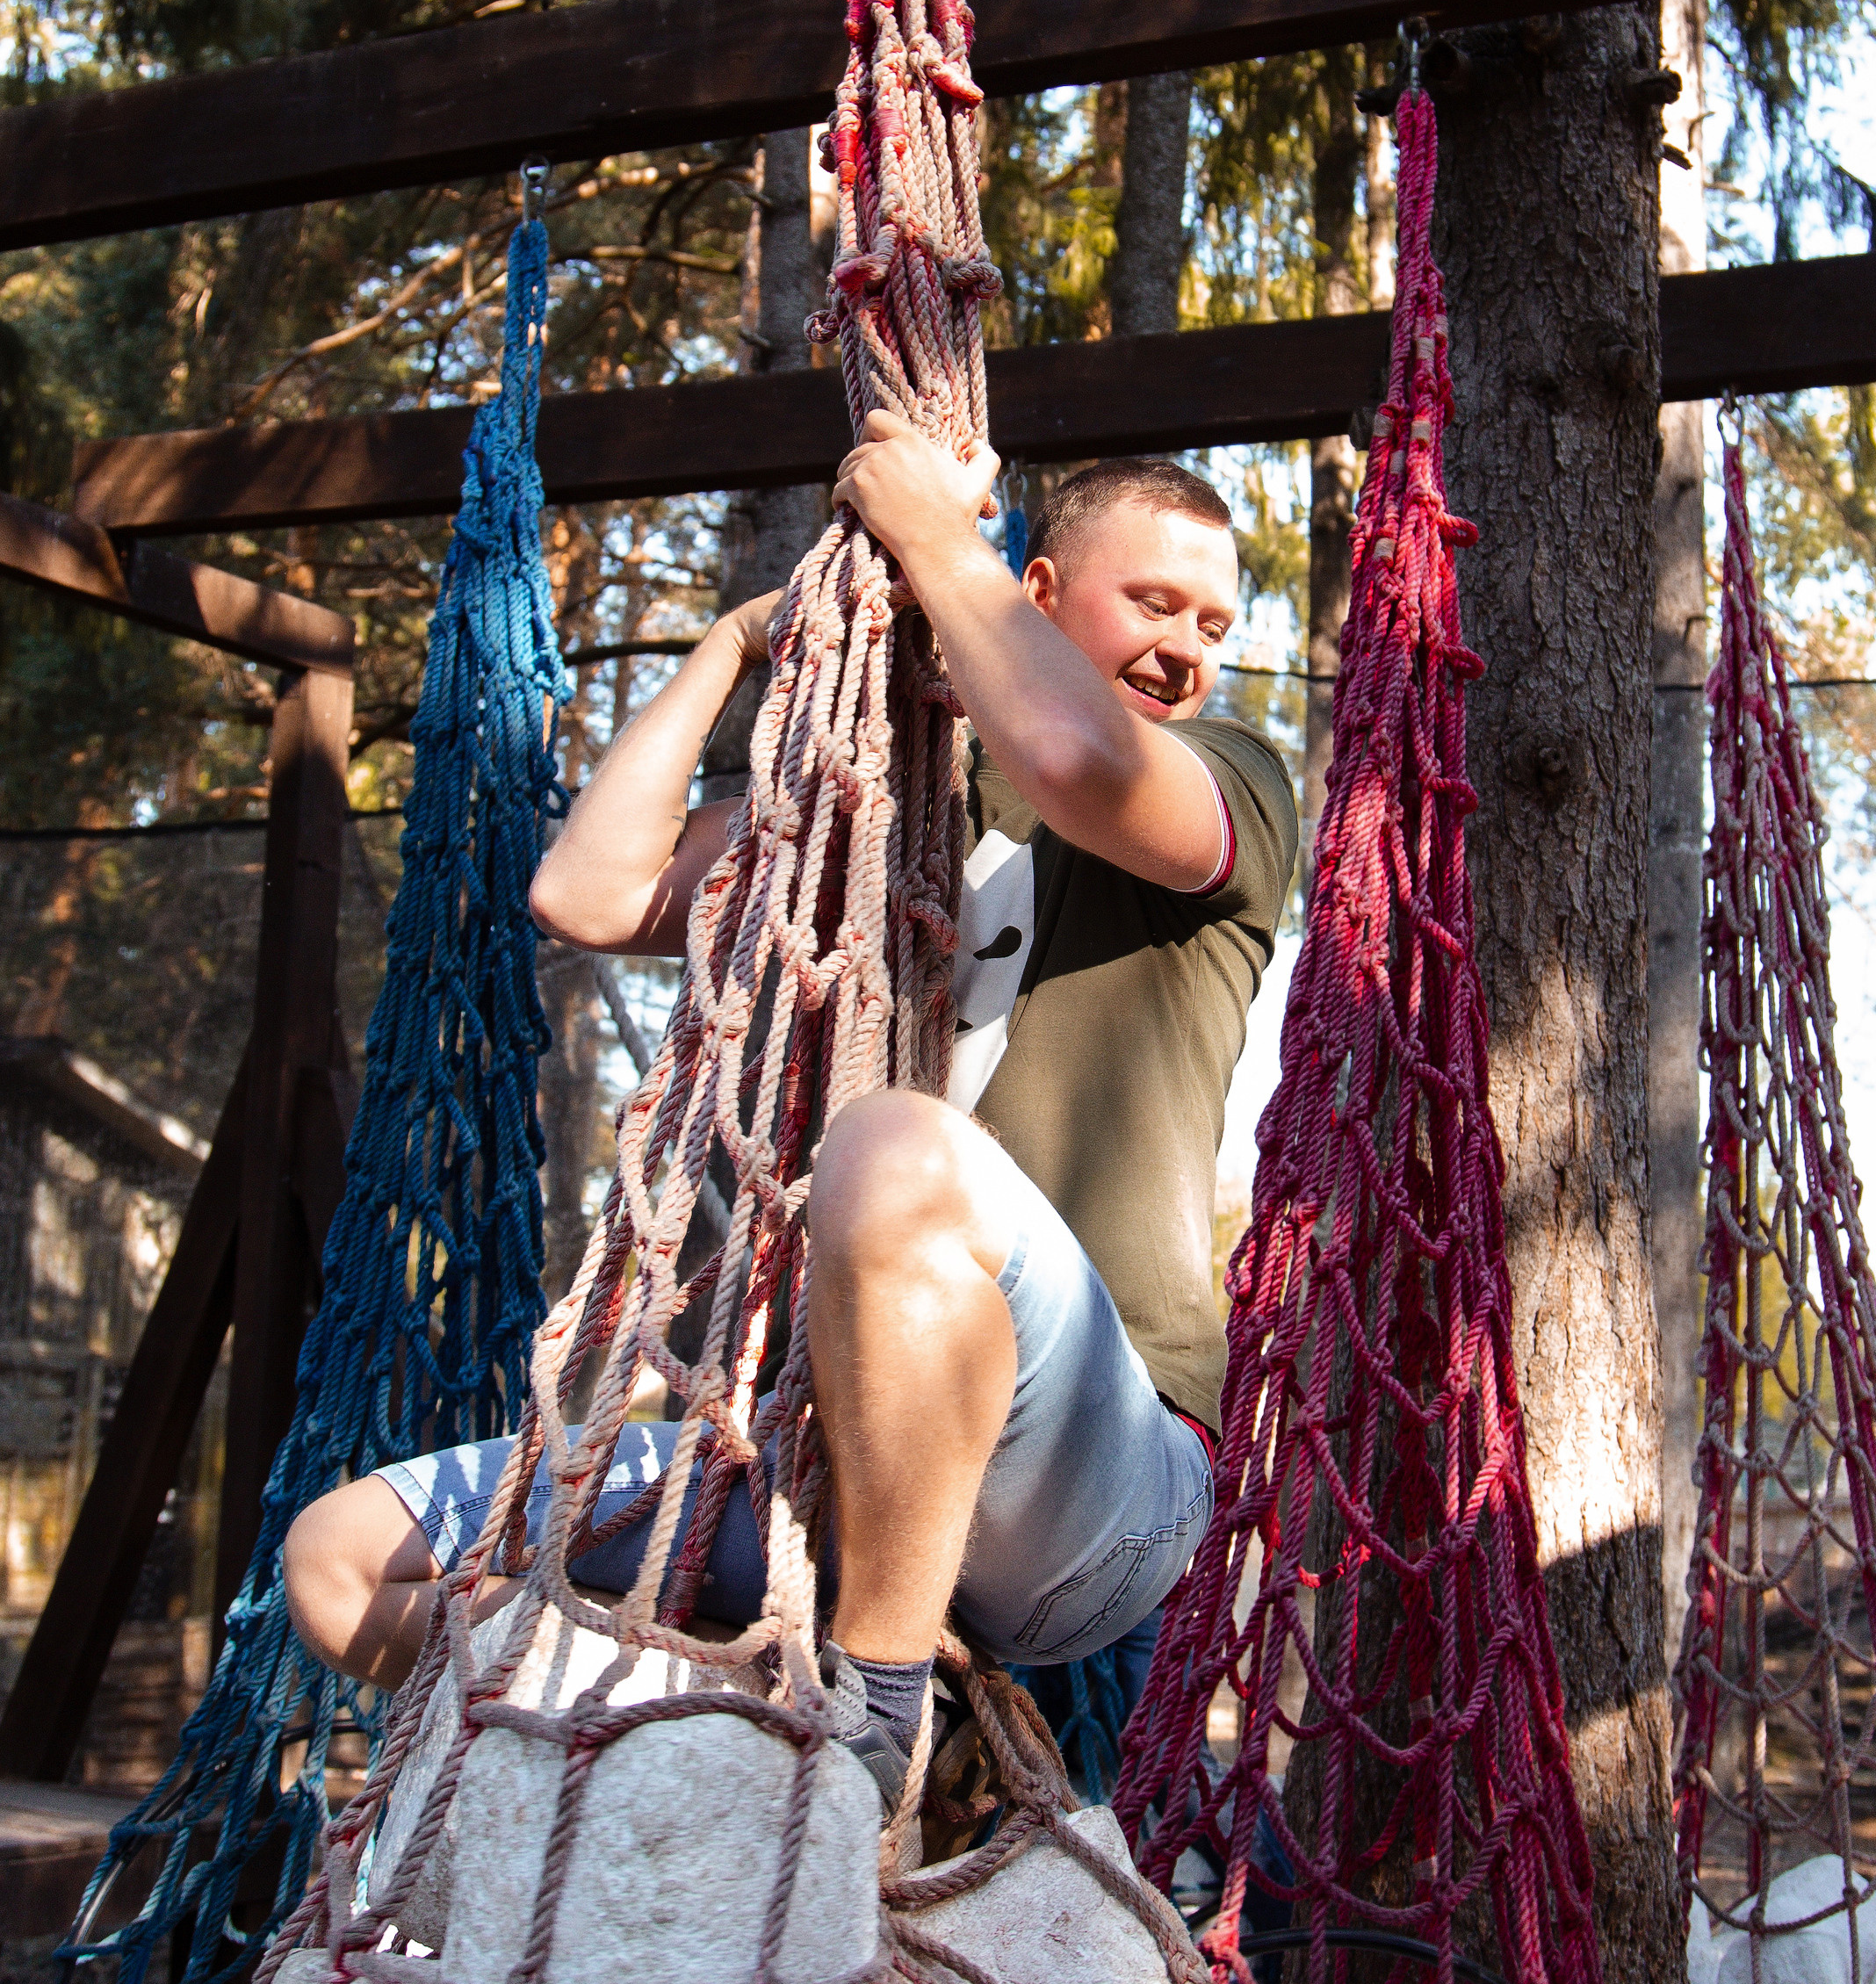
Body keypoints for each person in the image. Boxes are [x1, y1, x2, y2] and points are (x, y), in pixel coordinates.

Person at [283, 412, 1297, 1810]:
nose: (1191, 644)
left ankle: (872, 1721)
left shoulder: (1231, 779)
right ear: (1047, 594)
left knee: (887, 1149)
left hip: (1100, 1484)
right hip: (826, 1467)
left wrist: (939, 536)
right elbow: (585, 894)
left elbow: (1078, 767)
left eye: (1214, 619)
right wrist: (726, 655)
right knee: (341, 1563)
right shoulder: (873, 806)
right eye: (1154, 601)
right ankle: (729, 1720)